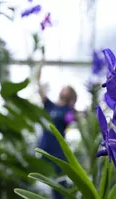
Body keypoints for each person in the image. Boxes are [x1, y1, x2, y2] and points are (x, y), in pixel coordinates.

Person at [36, 56, 77, 199]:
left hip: (58, 152)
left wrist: (74, 112)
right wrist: (40, 67)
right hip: (44, 149)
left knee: (59, 188)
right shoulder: (50, 106)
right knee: (45, 186)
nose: (63, 89)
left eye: (67, 89)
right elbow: (39, 86)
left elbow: (72, 120)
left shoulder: (68, 111)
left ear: (70, 95)